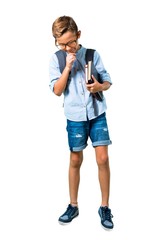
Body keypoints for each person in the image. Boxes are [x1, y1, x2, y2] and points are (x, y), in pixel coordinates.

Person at [49, 15, 114, 230]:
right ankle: (73, 205)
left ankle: (104, 207)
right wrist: (67, 67)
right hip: (75, 117)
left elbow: (107, 81)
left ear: (78, 35)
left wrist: (99, 87)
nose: (67, 48)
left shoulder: (92, 55)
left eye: (70, 42)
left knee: (102, 158)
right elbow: (57, 91)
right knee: (75, 159)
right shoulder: (57, 59)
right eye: (62, 44)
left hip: (96, 112)